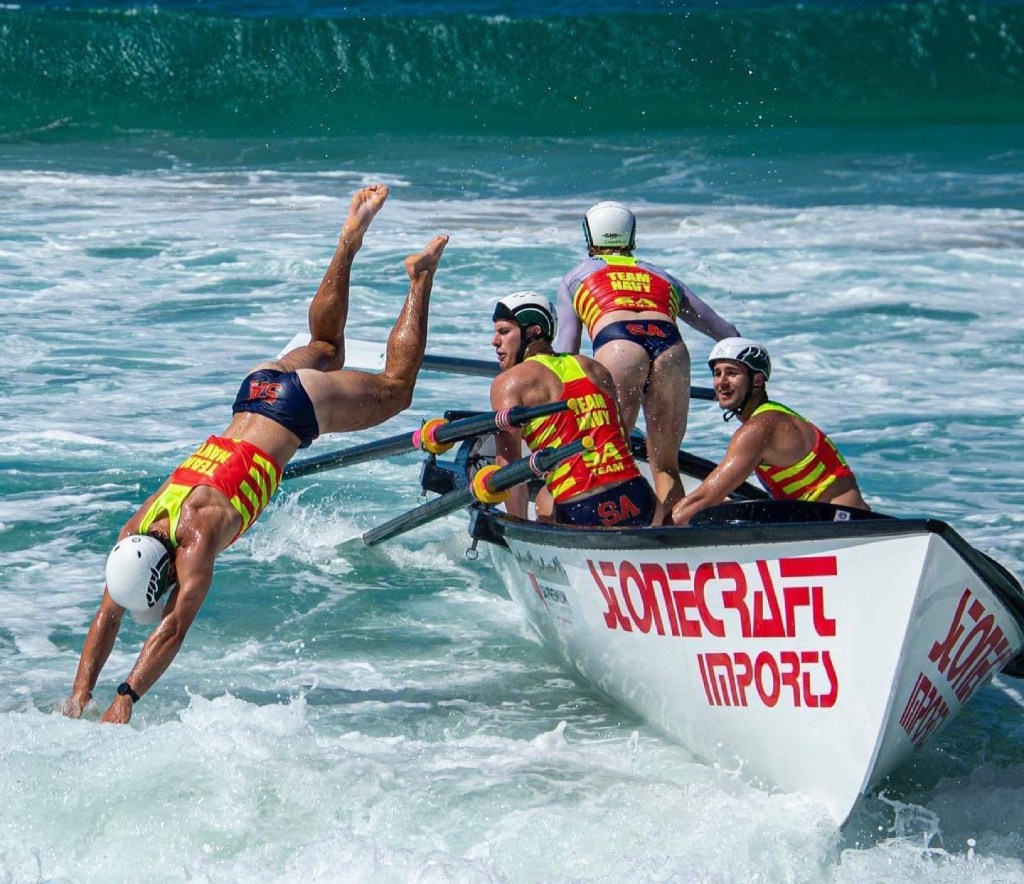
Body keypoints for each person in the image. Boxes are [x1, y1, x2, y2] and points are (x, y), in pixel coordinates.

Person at [63, 184, 448, 723]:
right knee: (328, 347)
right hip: (258, 388)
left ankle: (420, 275)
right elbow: (108, 613)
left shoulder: (194, 539)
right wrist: (79, 697)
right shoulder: (137, 533)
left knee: (397, 386)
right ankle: (348, 240)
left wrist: (124, 697)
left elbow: (172, 627)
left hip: (293, 410)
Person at [553, 200, 739, 519]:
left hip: (618, 344)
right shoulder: (662, 275)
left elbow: (566, 353)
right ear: (632, 237)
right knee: (666, 464)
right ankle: (670, 532)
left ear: (588, 237)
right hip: (671, 347)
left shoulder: (575, 278)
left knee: (610, 455)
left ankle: (616, 529)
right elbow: (727, 332)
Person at [489, 291, 657, 528]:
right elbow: (624, 442)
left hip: (583, 509)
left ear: (534, 331)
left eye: (504, 332)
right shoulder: (594, 367)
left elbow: (509, 465)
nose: (494, 341)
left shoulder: (508, 383)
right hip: (639, 498)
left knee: (543, 502)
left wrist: (519, 531)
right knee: (548, 492)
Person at [671, 337, 869, 526]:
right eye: (717, 373)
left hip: (843, 532)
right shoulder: (775, 414)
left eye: (731, 373)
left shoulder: (758, 429)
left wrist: (656, 530)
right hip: (850, 523)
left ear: (757, 380)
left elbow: (701, 502)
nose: (721, 382)